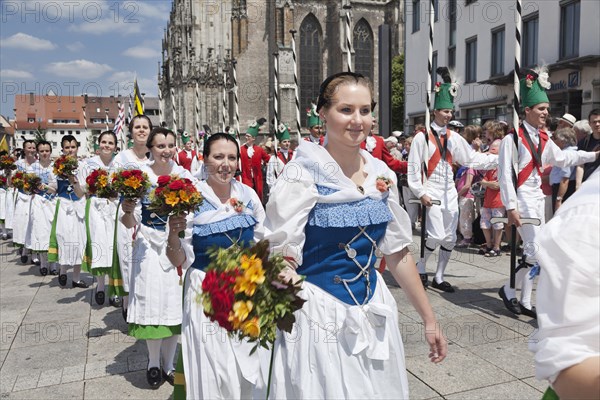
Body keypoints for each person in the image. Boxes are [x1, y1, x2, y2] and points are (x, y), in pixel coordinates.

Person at [263, 72, 447, 399]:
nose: (357, 120)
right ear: (323, 113)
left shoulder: (381, 174)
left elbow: (397, 254)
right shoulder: (300, 175)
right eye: (346, 110)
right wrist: (283, 279)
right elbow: (281, 253)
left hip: (374, 308)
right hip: (319, 313)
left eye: (365, 111)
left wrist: (429, 319)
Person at [167, 132, 266, 399]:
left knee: (249, 364)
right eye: (218, 157)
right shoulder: (190, 198)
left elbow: (262, 242)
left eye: (232, 157)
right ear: (205, 159)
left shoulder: (248, 195)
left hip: (245, 291)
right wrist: (172, 235)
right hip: (205, 291)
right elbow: (178, 259)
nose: (226, 164)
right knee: (215, 366)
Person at [497, 68, 599, 319]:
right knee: (535, 251)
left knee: (537, 252)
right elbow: (505, 175)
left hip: (537, 198)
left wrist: (593, 155)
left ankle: (524, 299)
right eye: (541, 109)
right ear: (527, 110)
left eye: (546, 108)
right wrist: (510, 207)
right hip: (521, 201)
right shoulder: (513, 139)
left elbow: (564, 158)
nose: (545, 113)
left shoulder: (544, 138)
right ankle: (508, 288)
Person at [408, 67, 497, 293]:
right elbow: (413, 168)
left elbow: (470, 159)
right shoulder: (421, 137)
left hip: (449, 190)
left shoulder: (454, 137)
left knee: (448, 237)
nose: (448, 115)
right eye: (445, 111)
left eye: (450, 112)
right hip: (432, 189)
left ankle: (439, 276)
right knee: (436, 234)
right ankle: (420, 266)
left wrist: (497, 159)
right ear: (436, 110)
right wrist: (420, 192)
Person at [120, 127, 191, 389]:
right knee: (151, 301)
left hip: (175, 245)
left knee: (173, 302)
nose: (166, 150)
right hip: (148, 246)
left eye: (171, 145)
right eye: (160, 146)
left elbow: (191, 214)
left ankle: (169, 364)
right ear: (150, 148)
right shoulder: (141, 177)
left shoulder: (183, 175)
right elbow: (129, 222)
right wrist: (127, 209)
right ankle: (152, 362)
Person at [530, 168, 599, 400]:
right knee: (531, 255)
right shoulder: (588, 216)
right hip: (527, 197)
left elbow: (563, 159)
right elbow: (570, 366)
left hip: (538, 196)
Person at [71, 131, 119, 306]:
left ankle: (114, 290)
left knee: (114, 248)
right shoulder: (87, 164)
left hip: (114, 208)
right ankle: (100, 286)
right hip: (96, 210)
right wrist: (74, 181)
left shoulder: (119, 164)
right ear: (99, 144)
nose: (107, 145)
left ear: (115, 146)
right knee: (99, 247)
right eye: (104, 142)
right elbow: (80, 193)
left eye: (110, 143)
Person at [111, 114, 153, 311]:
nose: (142, 130)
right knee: (128, 258)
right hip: (128, 213)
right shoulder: (121, 158)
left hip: (152, 216)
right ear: (131, 132)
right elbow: (112, 186)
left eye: (145, 127)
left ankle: (146, 300)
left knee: (148, 259)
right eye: (138, 127)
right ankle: (128, 302)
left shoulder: (156, 157)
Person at [49, 135, 88, 288]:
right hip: (64, 206)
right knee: (64, 239)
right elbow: (54, 188)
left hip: (79, 205)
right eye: (67, 147)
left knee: (80, 241)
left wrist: (75, 181)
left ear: (77, 148)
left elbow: (83, 190)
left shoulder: (83, 166)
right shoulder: (57, 166)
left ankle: (76, 278)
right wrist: (43, 188)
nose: (70, 150)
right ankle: (63, 270)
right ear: (63, 149)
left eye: (73, 147)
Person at [25, 141, 57, 275]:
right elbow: (27, 187)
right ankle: (43, 262)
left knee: (53, 232)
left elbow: (56, 187)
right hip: (38, 202)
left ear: (50, 151)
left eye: (47, 150)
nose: (45, 153)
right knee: (41, 232)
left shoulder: (56, 167)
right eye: (42, 151)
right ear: (38, 152)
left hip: (53, 202)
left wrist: (47, 187)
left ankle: (54, 263)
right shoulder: (33, 167)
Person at [13, 139, 37, 263]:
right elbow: (11, 182)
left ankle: (34, 254)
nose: (32, 150)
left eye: (33, 148)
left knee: (34, 224)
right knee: (23, 224)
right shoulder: (18, 164)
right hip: (23, 197)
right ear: (24, 149)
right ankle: (24, 250)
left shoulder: (39, 164)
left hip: (35, 198)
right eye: (29, 147)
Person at [240, 118, 271, 202]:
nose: (246, 137)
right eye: (246, 136)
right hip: (245, 178)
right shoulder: (241, 149)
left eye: (248, 136)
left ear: (253, 138)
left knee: (257, 199)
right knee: (247, 199)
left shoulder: (259, 150)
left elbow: (269, 159)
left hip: (257, 178)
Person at [549, 128, 578, 212]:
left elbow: (565, 179)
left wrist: (559, 199)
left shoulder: (566, 154)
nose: (553, 142)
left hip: (562, 191)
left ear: (562, 141)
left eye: (555, 139)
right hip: (561, 189)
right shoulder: (570, 152)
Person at [266, 123, 295, 190]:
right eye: (284, 142)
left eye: (288, 141)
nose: (287, 143)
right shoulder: (274, 157)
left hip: (293, 187)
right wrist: (273, 188)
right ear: (279, 143)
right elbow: (270, 174)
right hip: (280, 187)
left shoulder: (294, 155)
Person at [576, 108, 600, 184]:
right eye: (594, 122)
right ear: (590, 124)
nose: (597, 124)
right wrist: (578, 185)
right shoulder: (584, 142)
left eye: (599, 121)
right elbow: (580, 165)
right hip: (587, 184)